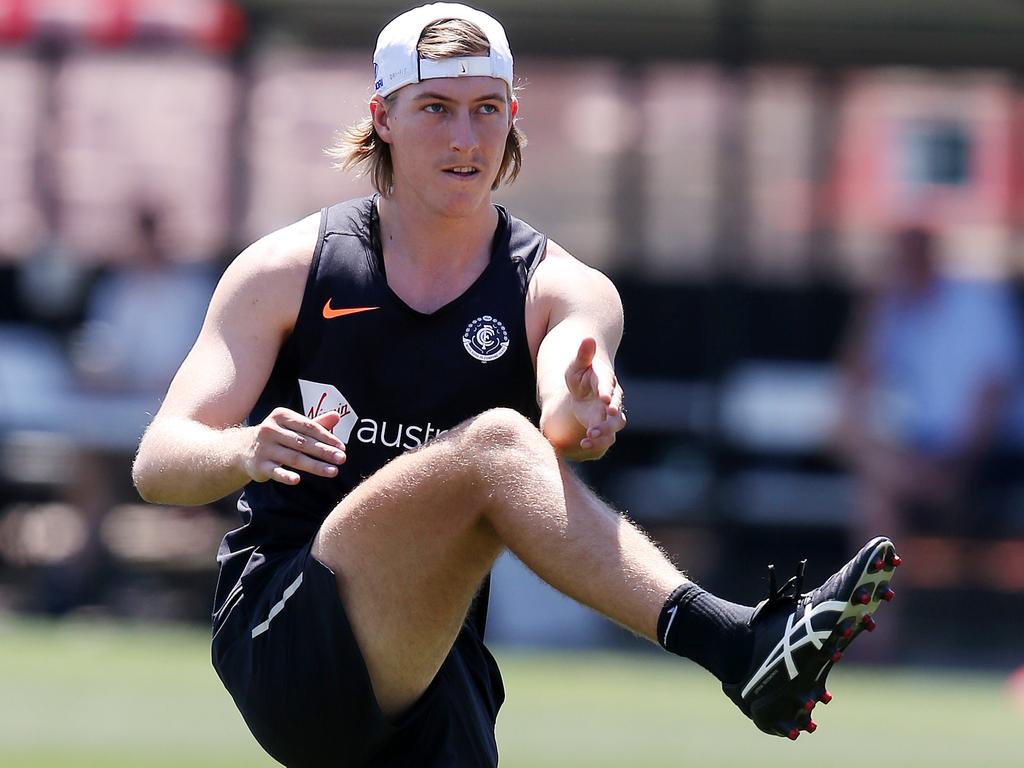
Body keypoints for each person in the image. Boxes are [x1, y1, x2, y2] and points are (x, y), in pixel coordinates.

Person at [132, 4, 900, 765]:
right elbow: (159, 461)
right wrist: (246, 451)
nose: (466, 139)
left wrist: (582, 410)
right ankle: (732, 643)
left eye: (486, 110)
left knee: (509, 445)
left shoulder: (562, 285)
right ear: (383, 117)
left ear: (512, 117)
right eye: (436, 108)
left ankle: (744, 652)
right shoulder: (289, 270)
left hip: (434, 659)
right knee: (500, 439)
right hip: (285, 633)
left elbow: (565, 405)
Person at [837, 226, 1022, 543]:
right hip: (922, 452)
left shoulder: (978, 303)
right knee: (872, 480)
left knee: (878, 489)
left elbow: (992, 396)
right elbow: (855, 379)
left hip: (983, 451)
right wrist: (871, 310)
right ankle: (880, 590)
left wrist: (960, 462)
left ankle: (875, 590)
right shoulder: (895, 311)